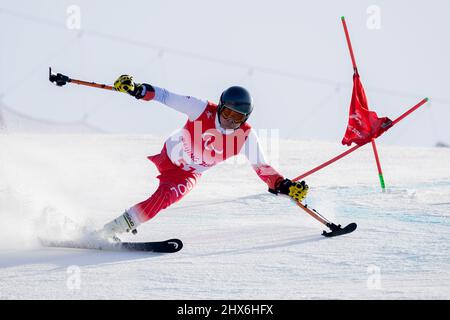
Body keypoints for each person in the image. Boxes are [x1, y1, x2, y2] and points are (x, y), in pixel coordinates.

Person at [101, 75, 309, 239]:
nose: (229, 120)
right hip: (170, 156)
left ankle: (111, 230)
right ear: (219, 106)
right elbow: (164, 96)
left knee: (165, 198)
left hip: (187, 174)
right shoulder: (201, 109)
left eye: (237, 117)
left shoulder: (246, 136)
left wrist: (284, 185)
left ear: (244, 118)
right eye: (227, 112)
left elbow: (263, 168)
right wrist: (138, 89)